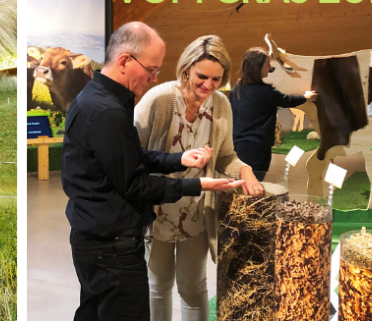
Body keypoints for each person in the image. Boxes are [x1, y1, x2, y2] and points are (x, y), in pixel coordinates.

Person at [61, 22, 245, 321]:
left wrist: (178, 160)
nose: (153, 77)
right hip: (112, 246)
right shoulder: (108, 111)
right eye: (152, 69)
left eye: (217, 78)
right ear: (124, 61)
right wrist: (198, 186)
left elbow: (128, 157)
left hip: (101, 239)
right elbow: (135, 184)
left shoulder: (101, 100)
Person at [133, 35, 262, 321]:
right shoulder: (160, 99)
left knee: (194, 287)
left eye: (217, 79)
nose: (208, 85)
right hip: (157, 212)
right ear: (186, 69)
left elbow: (226, 156)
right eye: (202, 76)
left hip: (197, 213)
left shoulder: (221, 105)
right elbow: (131, 153)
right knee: (158, 285)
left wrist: (246, 170)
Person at [229, 47, 318, 180]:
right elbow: (286, 100)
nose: (270, 68)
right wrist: (305, 97)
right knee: (254, 185)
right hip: (257, 148)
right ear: (257, 67)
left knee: (241, 186)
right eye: (267, 65)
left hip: (237, 146)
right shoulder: (265, 90)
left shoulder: (238, 86)